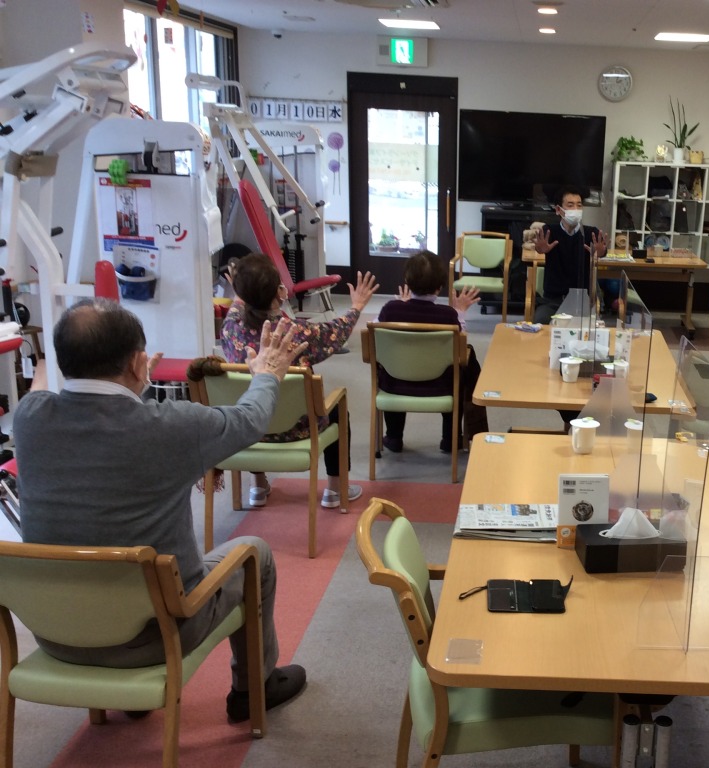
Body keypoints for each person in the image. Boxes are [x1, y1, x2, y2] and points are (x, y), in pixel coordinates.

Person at [15, 299, 309, 722]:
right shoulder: (174, 426)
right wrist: (267, 373)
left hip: (55, 633)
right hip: (156, 637)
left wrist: (135, 389)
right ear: (138, 363)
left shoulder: (29, 417)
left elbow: (89, 421)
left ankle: (130, 701)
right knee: (254, 553)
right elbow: (250, 420)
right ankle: (254, 689)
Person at [220, 252, 378, 509]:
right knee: (338, 408)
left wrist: (241, 290)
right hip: (300, 428)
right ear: (279, 293)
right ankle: (335, 490)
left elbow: (236, 309)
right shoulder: (298, 333)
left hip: (252, 426)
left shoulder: (230, 331)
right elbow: (337, 331)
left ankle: (258, 486)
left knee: (250, 395)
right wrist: (357, 306)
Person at [376, 249, 486, 453]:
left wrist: (402, 304)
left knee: (389, 366)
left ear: (407, 281)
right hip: (440, 386)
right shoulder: (448, 315)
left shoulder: (391, 310)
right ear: (440, 286)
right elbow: (460, 344)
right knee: (460, 368)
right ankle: (451, 438)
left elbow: (374, 336)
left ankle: (393, 436)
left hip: (395, 385)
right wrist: (460, 312)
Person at [532, 187, 609, 324]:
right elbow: (540, 248)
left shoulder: (591, 233)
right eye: (570, 205)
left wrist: (601, 252)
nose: (576, 209)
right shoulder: (549, 231)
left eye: (579, 205)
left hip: (581, 301)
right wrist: (540, 249)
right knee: (540, 322)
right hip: (553, 301)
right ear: (558, 210)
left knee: (592, 328)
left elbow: (601, 252)